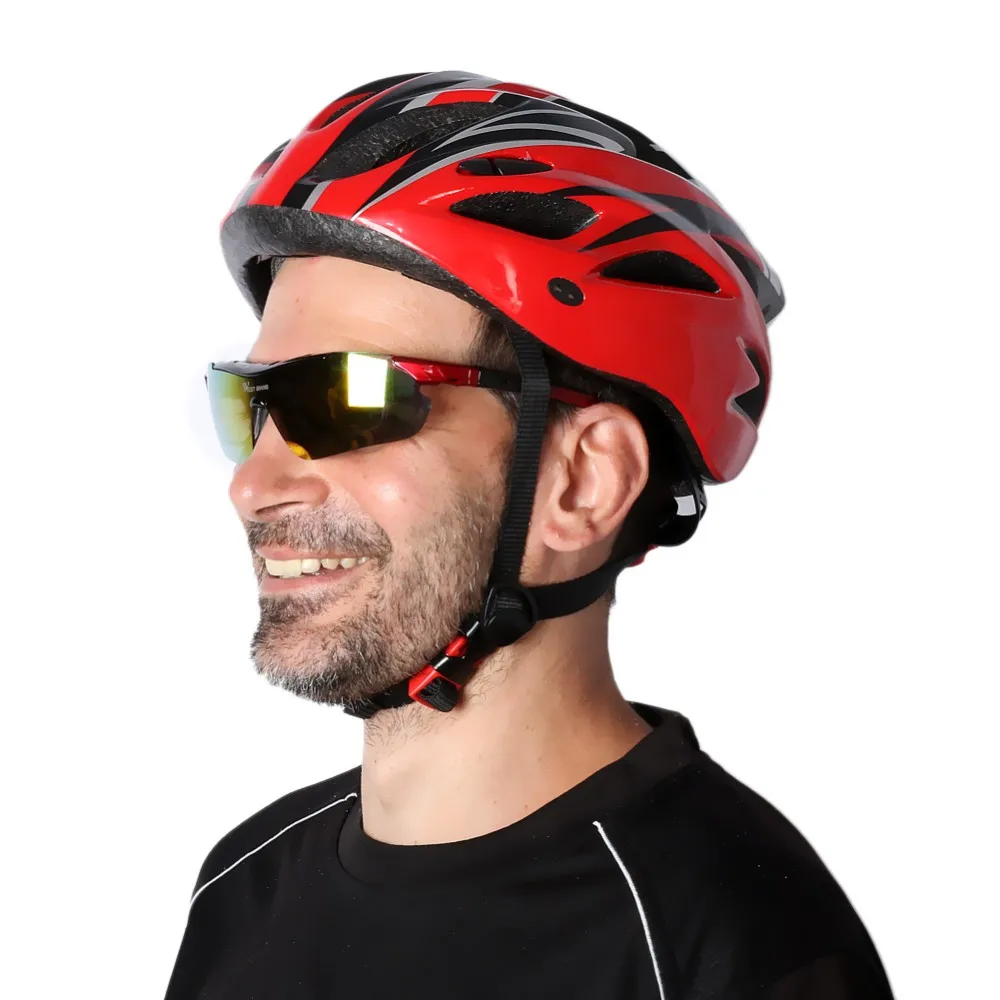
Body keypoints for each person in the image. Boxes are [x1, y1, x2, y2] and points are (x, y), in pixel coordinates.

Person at [164, 71, 895, 999]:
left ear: (584, 481)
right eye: (254, 404)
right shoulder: (245, 886)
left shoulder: (734, 952)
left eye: (348, 400)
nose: (253, 485)